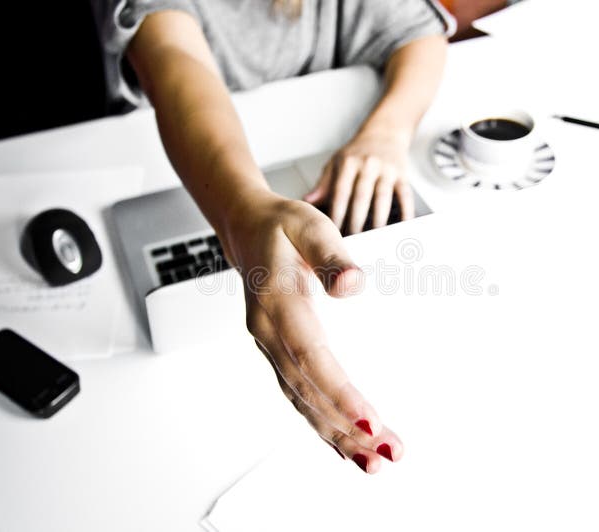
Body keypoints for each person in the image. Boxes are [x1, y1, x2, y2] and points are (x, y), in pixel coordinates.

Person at [93, 0, 449, 473]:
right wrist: (242, 211)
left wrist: (386, 134)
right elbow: (174, 59)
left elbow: (420, 32)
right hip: (192, 175)